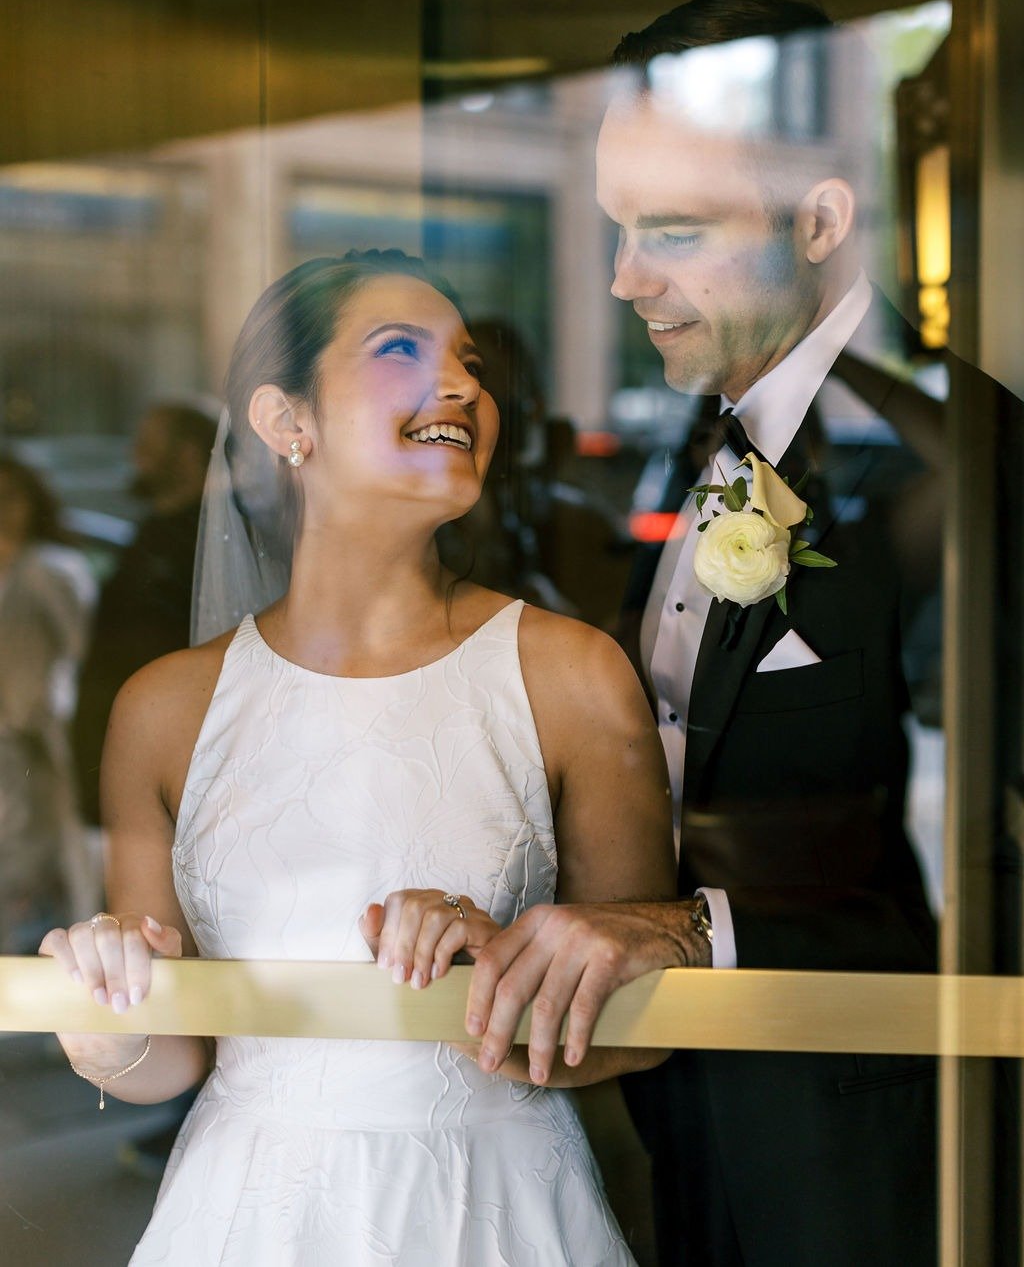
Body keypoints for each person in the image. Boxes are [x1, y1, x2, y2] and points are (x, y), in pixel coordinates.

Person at [458, 0, 1012, 1267]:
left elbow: (988, 864)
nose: (620, 279)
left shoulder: (951, 463)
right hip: (685, 1112)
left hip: (872, 1152)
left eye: (673, 230)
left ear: (819, 220)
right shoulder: (693, 447)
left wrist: (705, 932)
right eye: (616, 229)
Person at [40, 250, 676, 1265]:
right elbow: (172, 1063)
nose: (464, 385)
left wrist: (501, 964)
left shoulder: (573, 677)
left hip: (498, 1211)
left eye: (469, 361)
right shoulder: (163, 710)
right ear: (285, 423)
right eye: (399, 351)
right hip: (249, 1214)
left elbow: (648, 1026)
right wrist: (103, 1021)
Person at [72, 401, 218, 828]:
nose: (135, 455)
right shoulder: (151, 532)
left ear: (188, 453)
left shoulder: (201, 542)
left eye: (148, 444)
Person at [0, 454, 96, 951]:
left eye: (12, 496)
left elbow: (83, 650)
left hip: (36, 739)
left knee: (42, 857)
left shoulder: (48, 569)